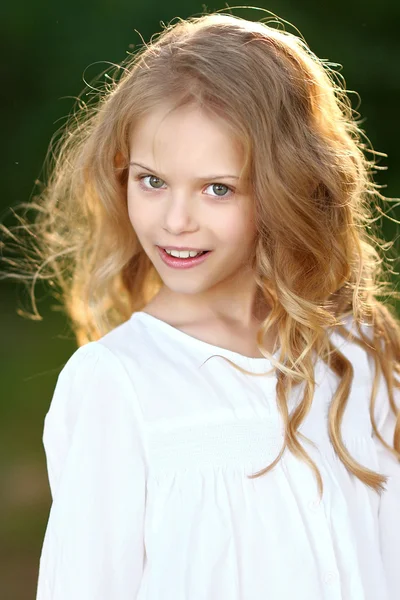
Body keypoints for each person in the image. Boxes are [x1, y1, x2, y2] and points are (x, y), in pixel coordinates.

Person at [1, 9, 399, 600]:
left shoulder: (360, 352)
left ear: (287, 185)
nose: (175, 221)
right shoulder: (118, 383)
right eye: (152, 181)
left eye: (218, 188)